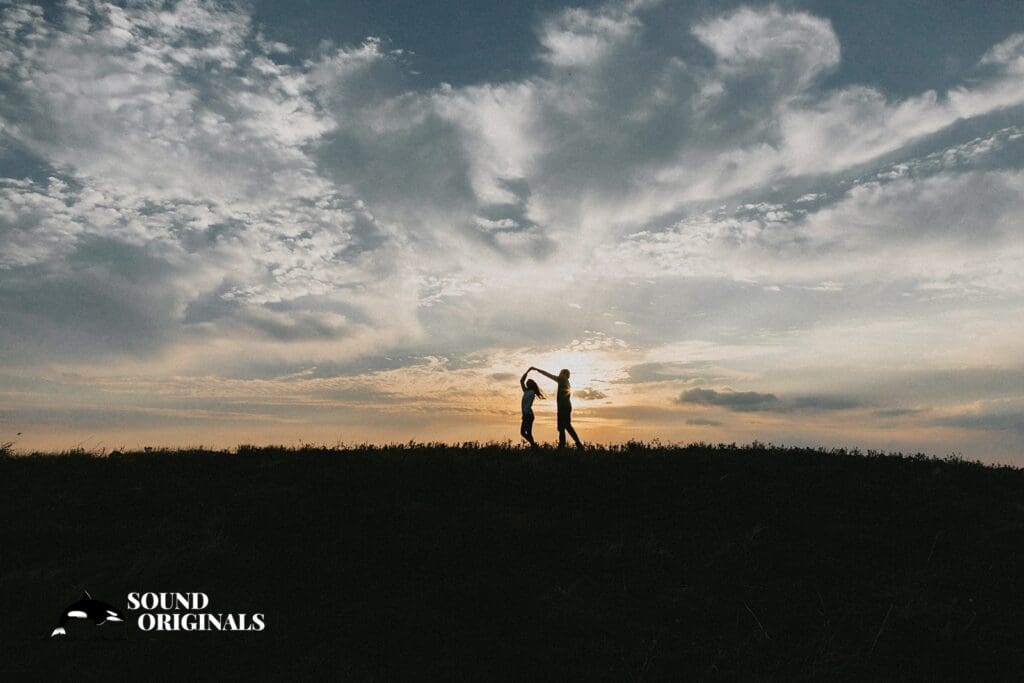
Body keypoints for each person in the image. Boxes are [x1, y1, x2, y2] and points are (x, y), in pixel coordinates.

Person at [530, 366, 584, 449]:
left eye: (561, 373)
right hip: (564, 407)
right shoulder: (565, 381)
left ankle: (576, 444)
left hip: (564, 407)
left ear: (564, 374)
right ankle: (563, 445)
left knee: (565, 426)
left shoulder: (562, 379)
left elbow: (549, 375)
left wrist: (538, 370)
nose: (559, 375)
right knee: (562, 427)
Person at [519, 369, 544, 448]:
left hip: (528, 415)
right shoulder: (526, 391)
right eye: (527, 382)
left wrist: (525, 414)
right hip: (527, 414)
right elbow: (521, 381)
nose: (527, 383)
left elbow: (527, 405)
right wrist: (527, 372)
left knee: (525, 432)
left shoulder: (532, 392)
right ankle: (534, 446)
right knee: (525, 433)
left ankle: (534, 446)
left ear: (531, 385)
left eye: (528, 383)